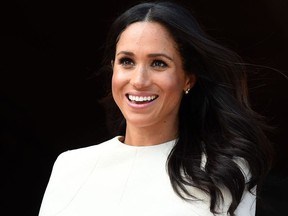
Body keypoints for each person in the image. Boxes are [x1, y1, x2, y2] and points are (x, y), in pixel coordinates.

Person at [38, 1, 274, 215]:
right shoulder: (69, 167)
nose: (139, 80)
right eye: (126, 61)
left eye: (159, 63)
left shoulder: (224, 174)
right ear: (113, 69)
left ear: (188, 78)